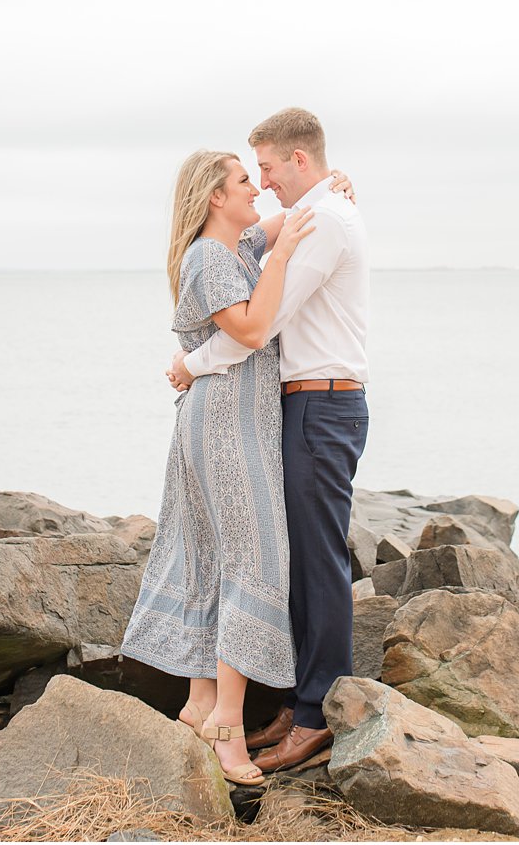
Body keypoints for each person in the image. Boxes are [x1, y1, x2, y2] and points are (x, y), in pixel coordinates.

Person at [119, 147, 353, 788]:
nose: (258, 188)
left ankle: (200, 703)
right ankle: (226, 720)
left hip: (235, 418)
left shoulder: (240, 243)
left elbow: (295, 211)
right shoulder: (209, 257)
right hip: (225, 422)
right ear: (214, 197)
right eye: (245, 180)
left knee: (216, 554)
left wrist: (331, 184)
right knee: (253, 557)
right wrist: (280, 259)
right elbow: (250, 330)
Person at [169, 107, 370, 774]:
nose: (263, 182)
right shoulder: (303, 217)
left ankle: (315, 715)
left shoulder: (324, 221)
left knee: (316, 563)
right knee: (296, 560)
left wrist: (191, 364)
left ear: (299, 162)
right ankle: (296, 702)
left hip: (320, 405)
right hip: (300, 406)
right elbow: (257, 248)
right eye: (250, 173)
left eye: (268, 168)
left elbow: (264, 319)